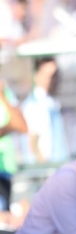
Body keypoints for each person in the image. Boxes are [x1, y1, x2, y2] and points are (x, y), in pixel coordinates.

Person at [20, 56, 69, 164]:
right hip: (46, 170)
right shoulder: (34, 106)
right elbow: (33, 144)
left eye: (55, 75)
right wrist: (45, 168)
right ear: (36, 76)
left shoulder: (50, 102)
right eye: (48, 75)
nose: (53, 80)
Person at [0, 77, 28, 213]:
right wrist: (9, 127)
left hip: (5, 172)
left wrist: (2, 95)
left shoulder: (5, 92)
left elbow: (21, 126)